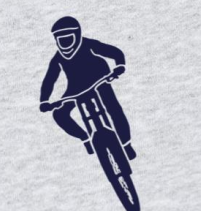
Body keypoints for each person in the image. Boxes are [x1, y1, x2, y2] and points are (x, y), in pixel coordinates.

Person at [39, 17, 134, 159]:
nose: (65, 43)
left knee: (113, 108)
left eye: (68, 39)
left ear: (77, 35)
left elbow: (114, 52)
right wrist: (44, 101)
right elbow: (49, 79)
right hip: (75, 88)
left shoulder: (88, 44)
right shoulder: (57, 58)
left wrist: (119, 65)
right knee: (59, 114)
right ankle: (85, 137)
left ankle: (126, 145)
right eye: (61, 40)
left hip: (99, 80)